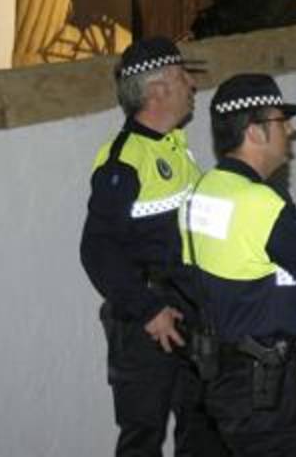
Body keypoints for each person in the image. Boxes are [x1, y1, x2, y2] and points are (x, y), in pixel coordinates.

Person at [80, 37, 226, 456]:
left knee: (201, 428)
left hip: (190, 311)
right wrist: (147, 310)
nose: (192, 87)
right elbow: (97, 249)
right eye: (183, 77)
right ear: (157, 89)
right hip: (149, 323)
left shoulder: (175, 147)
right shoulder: (124, 159)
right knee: (143, 437)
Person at [182, 74, 296, 455]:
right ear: (255, 132)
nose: (289, 131)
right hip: (263, 385)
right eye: (281, 121)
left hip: (221, 370)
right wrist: (276, 195)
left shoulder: (203, 189)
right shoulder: (259, 203)